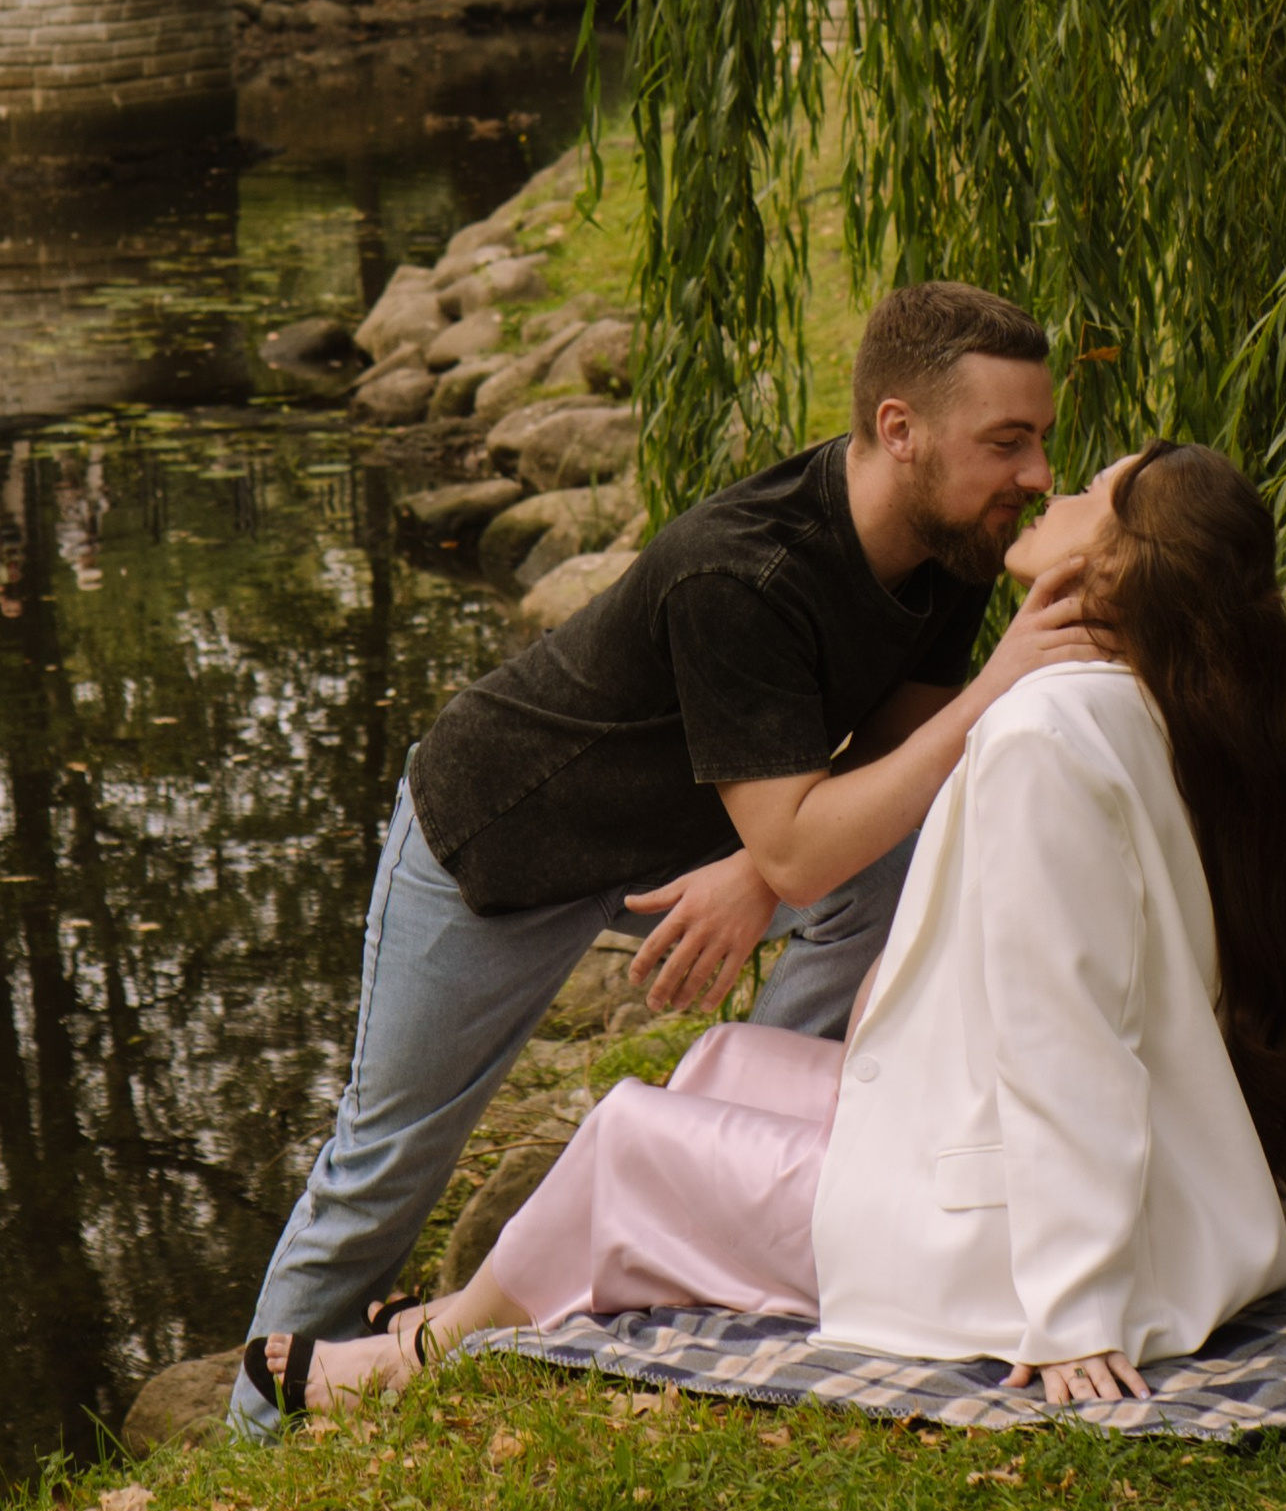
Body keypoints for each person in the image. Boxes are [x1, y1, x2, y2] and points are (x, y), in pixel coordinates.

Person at [279, 440, 1286, 1417]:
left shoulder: (1045, 738)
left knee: (628, 1138)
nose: (1047, 495)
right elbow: (1241, 990)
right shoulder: (1176, 701)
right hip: (1068, 1165)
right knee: (721, 1057)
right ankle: (448, 1314)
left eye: (1082, 500)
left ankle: (424, 1350)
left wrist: (1069, 1311)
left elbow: (1062, 1034)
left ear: (1106, 568)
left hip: (1004, 1241)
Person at [234, 281, 1091, 1432]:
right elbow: (829, 815)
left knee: (891, 863)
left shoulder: (943, 550)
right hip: (495, 849)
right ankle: (253, 1446)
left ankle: (728, 1175)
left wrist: (765, 865)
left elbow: (894, 764)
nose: (1036, 474)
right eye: (1008, 442)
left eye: (1039, 441)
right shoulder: (742, 571)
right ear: (900, 430)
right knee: (381, 1169)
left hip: (689, 843)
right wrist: (808, 831)